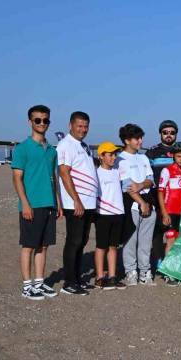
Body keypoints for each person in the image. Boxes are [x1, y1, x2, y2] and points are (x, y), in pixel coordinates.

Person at [12, 105, 62, 300]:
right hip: (31, 204)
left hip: (49, 204)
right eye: (38, 120)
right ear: (30, 122)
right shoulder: (22, 148)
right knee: (29, 245)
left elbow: (53, 177)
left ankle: (39, 283)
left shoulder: (51, 150)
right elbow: (17, 178)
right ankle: (27, 286)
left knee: (44, 245)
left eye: (45, 120)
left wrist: (57, 201)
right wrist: (25, 203)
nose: (42, 123)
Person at [57, 111, 98, 295]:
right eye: (79, 125)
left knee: (82, 241)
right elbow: (64, 173)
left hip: (88, 203)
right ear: (70, 125)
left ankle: (77, 278)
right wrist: (76, 200)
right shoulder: (66, 145)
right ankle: (69, 282)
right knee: (73, 241)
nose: (83, 129)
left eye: (86, 126)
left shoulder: (83, 145)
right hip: (76, 203)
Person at [116, 124, 157, 286]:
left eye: (141, 138)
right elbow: (127, 185)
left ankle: (145, 272)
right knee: (131, 240)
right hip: (131, 203)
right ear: (127, 140)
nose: (140, 141)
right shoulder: (120, 159)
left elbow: (150, 180)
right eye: (136, 138)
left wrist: (141, 186)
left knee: (146, 241)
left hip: (148, 200)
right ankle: (130, 271)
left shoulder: (143, 158)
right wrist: (141, 202)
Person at [146, 120, 179, 269]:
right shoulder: (152, 151)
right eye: (165, 132)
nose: (168, 135)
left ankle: (171, 263)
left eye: (172, 133)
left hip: (176, 198)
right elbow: (146, 174)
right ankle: (159, 260)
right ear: (160, 134)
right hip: (157, 197)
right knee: (158, 232)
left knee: (174, 232)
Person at [157, 141, 181, 286]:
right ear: (173, 156)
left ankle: (176, 269)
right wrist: (164, 213)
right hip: (170, 211)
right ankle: (168, 272)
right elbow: (160, 192)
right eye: (178, 156)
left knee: (179, 242)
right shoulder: (167, 170)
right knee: (170, 241)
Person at [94, 142, 126, 290]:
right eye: (110, 154)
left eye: (115, 154)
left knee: (114, 246)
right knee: (101, 246)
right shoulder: (96, 173)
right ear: (101, 156)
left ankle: (112, 276)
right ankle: (100, 276)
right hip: (103, 214)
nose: (113, 157)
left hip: (118, 213)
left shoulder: (117, 171)